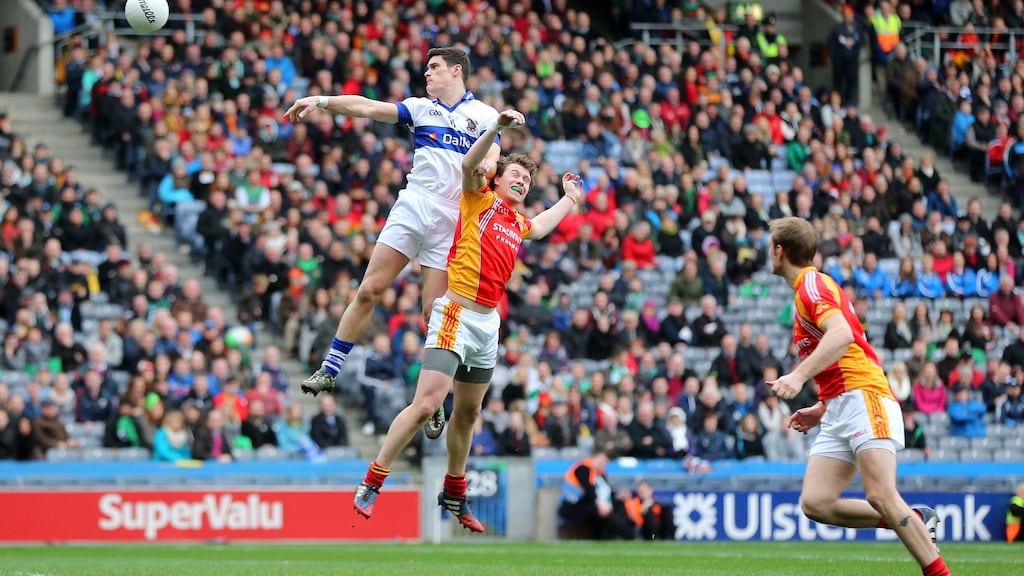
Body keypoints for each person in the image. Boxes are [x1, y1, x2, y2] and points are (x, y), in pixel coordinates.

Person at [351, 109, 584, 532]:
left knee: (468, 415)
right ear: (496, 179)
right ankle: (372, 480)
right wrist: (496, 128)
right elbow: (467, 165)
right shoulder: (479, 199)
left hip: (487, 326)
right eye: (515, 175)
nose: (522, 182)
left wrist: (569, 199)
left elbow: (543, 226)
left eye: (528, 181)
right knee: (425, 405)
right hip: (455, 313)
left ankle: (454, 492)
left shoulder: (518, 222)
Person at [284, 47, 501, 442]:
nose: (427, 74)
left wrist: (487, 166)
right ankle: (330, 369)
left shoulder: (486, 116)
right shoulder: (420, 108)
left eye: (434, 67)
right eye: (426, 68)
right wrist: (321, 101)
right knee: (369, 289)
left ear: (457, 70)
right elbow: (368, 108)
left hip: (452, 219)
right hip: (416, 204)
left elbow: (494, 158)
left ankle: (433, 401)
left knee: (433, 314)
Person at [766, 217, 948, 576]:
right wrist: (822, 406)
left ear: (779, 251)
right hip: (840, 404)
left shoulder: (811, 286)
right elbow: (844, 355)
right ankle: (911, 519)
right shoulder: (807, 290)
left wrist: (799, 376)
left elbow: (843, 336)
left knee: (880, 493)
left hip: (864, 397)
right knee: (816, 502)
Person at [557, 451, 614, 540]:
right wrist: (600, 502)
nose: (602, 464)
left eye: (604, 463)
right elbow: (589, 489)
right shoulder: (582, 468)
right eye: (600, 461)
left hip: (589, 504)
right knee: (596, 511)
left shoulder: (600, 474)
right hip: (573, 505)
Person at [828, 4, 866, 103]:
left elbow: (863, 40)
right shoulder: (837, 28)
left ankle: (848, 101)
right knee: (838, 83)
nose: (848, 18)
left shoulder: (857, 27)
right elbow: (831, 43)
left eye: (850, 16)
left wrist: (854, 42)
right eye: (846, 16)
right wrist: (834, 57)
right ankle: (838, 102)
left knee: (851, 82)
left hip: (852, 61)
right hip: (839, 61)